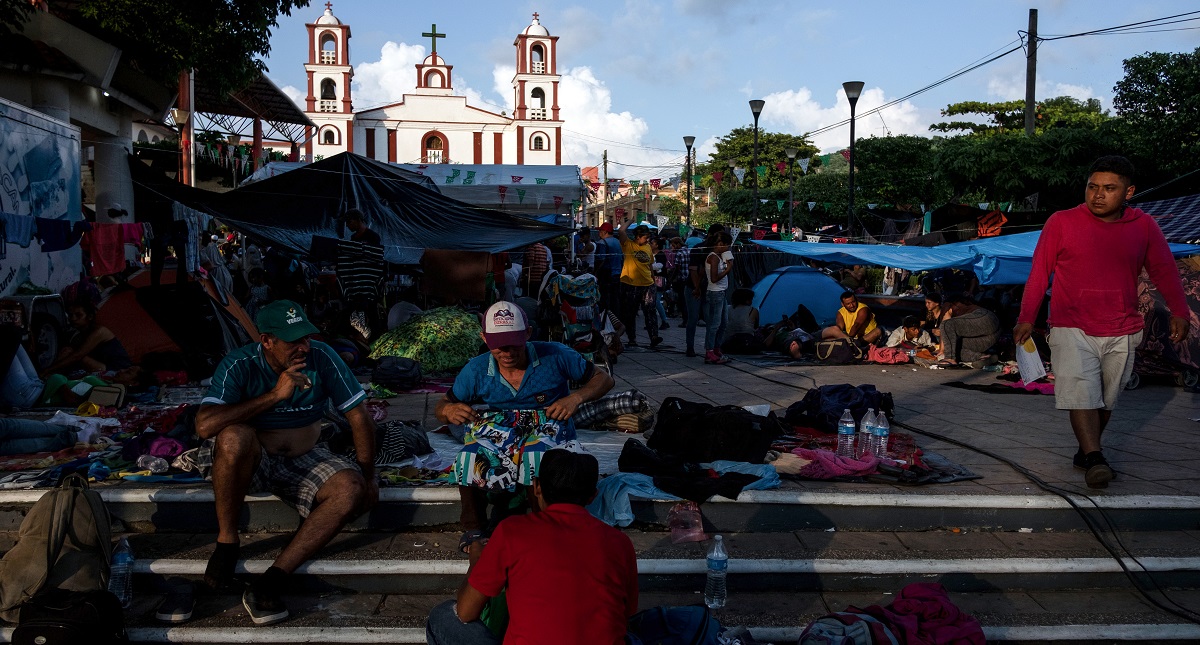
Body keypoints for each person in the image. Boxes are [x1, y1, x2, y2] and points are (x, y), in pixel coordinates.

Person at [194, 300, 377, 625]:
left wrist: (368, 476)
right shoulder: (240, 364)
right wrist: (274, 396)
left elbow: (359, 416)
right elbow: (204, 425)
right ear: (267, 341)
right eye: (294, 341)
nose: (303, 347)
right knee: (233, 437)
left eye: (305, 338)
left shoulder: (322, 356)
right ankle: (226, 542)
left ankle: (273, 579)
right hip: (254, 462)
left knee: (350, 488)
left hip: (304, 459)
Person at [1014, 155, 1190, 489]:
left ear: (1129, 191)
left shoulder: (1145, 226)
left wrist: (1180, 311)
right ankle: (1095, 458)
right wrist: (1026, 317)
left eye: (1109, 188)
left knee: (1106, 400)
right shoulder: (1061, 222)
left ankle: (1085, 451)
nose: (1098, 194)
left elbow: (1164, 270)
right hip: (1070, 324)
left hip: (1123, 328)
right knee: (1082, 394)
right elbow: (1039, 273)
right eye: (1092, 186)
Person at [435, 301, 614, 553]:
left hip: (549, 426)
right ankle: (474, 527)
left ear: (528, 334)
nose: (507, 352)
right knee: (468, 456)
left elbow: (603, 379)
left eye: (514, 343)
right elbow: (442, 406)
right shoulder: (476, 369)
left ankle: (541, 522)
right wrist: (448, 410)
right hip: (500, 431)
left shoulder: (555, 354)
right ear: (484, 338)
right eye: (499, 345)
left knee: (535, 455)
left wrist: (575, 398)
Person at [425, 449, 638, 645]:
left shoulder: (513, 531)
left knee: (444, 615)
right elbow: (625, 614)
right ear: (593, 495)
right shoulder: (619, 542)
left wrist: (476, 562)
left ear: (536, 487)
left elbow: (465, 612)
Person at [40, 300, 133, 376]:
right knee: (67, 352)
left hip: (116, 369)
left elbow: (77, 356)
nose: (73, 319)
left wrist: (48, 370)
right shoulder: (78, 335)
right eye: (71, 315)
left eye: (78, 315)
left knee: (69, 353)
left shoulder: (99, 331)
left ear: (90, 317)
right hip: (101, 366)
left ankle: (47, 376)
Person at [616, 219, 662, 348]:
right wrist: (630, 220)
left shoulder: (647, 247)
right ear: (637, 237)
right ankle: (632, 338)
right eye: (645, 237)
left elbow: (650, 265)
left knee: (650, 311)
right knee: (631, 312)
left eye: (648, 238)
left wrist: (653, 280)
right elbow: (621, 230)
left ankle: (654, 336)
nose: (647, 240)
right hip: (631, 284)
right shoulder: (628, 245)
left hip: (647, 284)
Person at [939, 293, 999, 364]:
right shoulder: (967, 304)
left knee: (946, 324)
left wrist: (941, 350)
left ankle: (950, 358)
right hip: (990, 337)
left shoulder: (948, 303)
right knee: (955, 349)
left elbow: (945, 322)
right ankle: (982, 357)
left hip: (985, 318)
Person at [703, 231, 734, 364]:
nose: (727, 248)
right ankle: (709, 350)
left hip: (722, 292)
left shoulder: (720, 256)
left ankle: (716, 347)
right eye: (726, 245)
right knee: (714, 324)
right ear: (720, 244)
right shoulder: (714, 257)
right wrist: (727, 270)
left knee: (724, 323)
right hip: (715, 292)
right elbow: (714, 278)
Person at [721, 288, 765, 355]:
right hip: (747, 344)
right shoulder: (753, 310)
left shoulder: (726, 308)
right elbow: (756, 327)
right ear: (747, 300)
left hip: (727, 343)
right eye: (751, 299)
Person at [594, 222, 623, 314]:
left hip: (606, 274)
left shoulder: (602, 243)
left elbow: (600, 260)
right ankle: (616, 319)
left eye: (600, 231)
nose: (599, 233)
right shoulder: (618, 242)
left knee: (604, 298)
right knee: (616, 298)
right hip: (618, 273)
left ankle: (606, 320)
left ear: (605, 232)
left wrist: (595, 273)